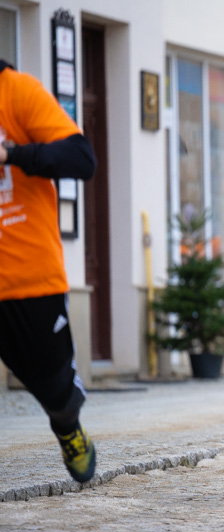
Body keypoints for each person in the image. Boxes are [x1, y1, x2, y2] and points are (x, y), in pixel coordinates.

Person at [0, 60, 97, 482]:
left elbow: (81, 157)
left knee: (57, 393)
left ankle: (67, 426)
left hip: (28, 278)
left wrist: (12, 154)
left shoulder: (17, 92)